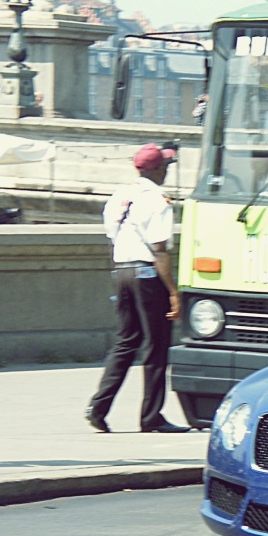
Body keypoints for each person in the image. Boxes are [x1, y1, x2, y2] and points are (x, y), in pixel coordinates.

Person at [85, 144, 188, 434]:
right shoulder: (156, 200)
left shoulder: (120, 195)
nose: (167, 170)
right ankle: (151, 416)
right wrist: (173, 292)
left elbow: (112, 238)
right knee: (156, 346)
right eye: (165, 166)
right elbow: (160, 251)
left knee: (126, 341)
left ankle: (98, 407)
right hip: (146, 274)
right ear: (155, 169)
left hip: (123, 271)